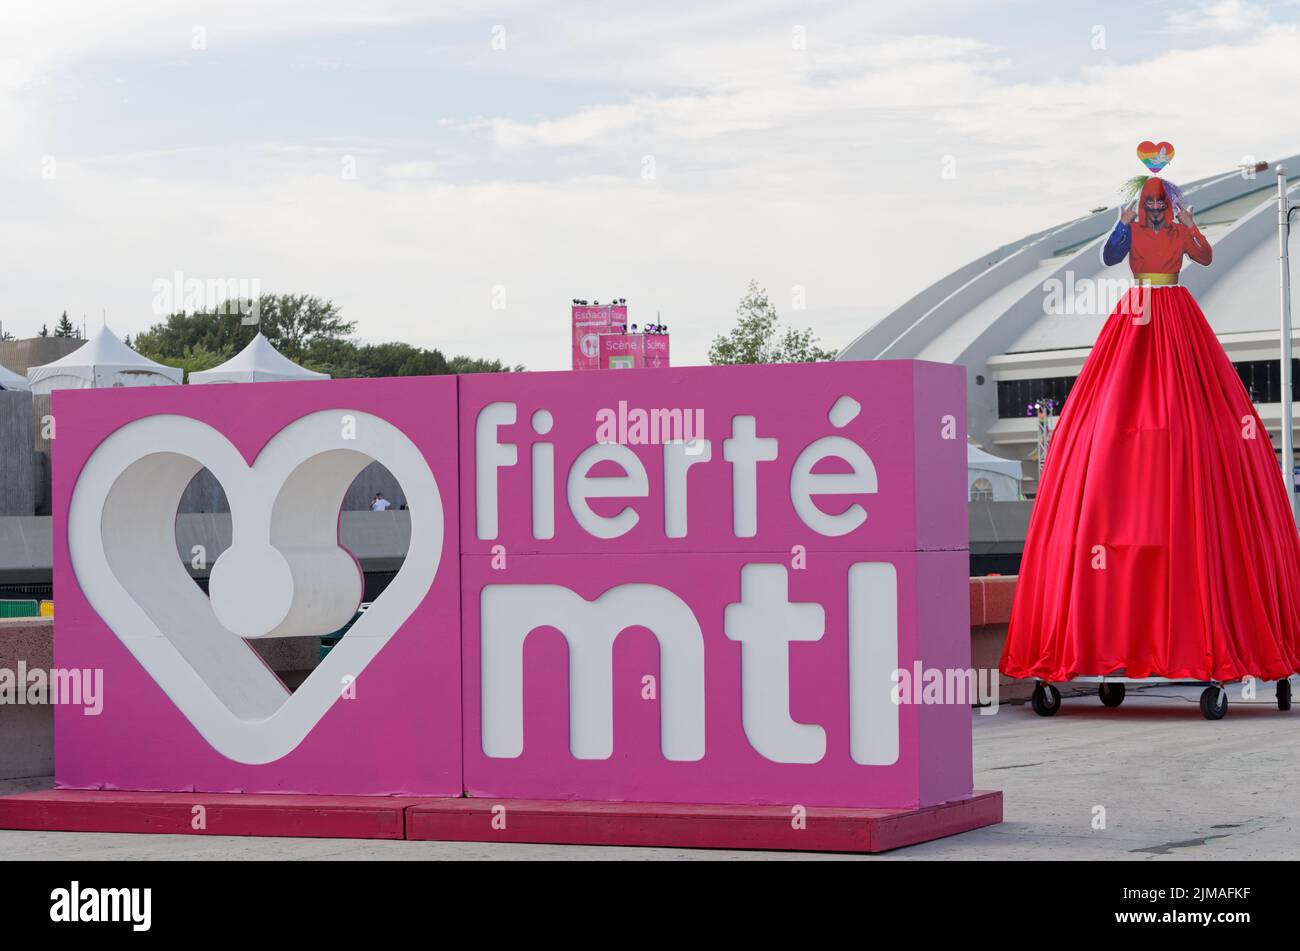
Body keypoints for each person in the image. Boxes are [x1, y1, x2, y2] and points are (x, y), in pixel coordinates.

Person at [1001, 157, 1300, 688]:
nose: (1156, 211)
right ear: (1142, 205)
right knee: (1115, 415)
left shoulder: (1179, 229)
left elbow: (1205, 257)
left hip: (1175, 315)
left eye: (1162, 205)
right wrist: (1118, 223)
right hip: (1137, 314)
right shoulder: (1132, 228)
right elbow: (1111, 255)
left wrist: (1188, 221)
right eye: (1152, 205)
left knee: (1186, 418)